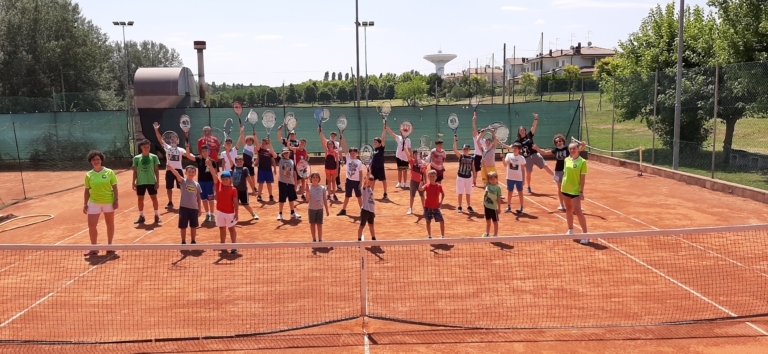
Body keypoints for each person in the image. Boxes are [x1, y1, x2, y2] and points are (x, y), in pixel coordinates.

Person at [534, 134, 586, 211]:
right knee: (560, 188)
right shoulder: (555, 150)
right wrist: (537, 148)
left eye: (560, 141)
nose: (558, 142)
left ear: (563, 141)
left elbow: (579, 149)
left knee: (572, 187)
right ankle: (562, 205)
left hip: (568, 170)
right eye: (557, 142)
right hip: (558, 171)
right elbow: (544, 152)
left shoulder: (567, 149)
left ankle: (576, 205)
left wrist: (583, 145)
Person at [83, 150, 118, 256]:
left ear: (101, 160)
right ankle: (94, 248)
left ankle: (109, 246)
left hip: (108, 202)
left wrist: (116, 200)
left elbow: (115, 187)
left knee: (110, 224)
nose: (96, 161)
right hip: (94, 203)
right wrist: (85, 203)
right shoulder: (88, 175)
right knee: (91, 225)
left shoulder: (109, 172)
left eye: (97, 159)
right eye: (93, 160)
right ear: (91, 162)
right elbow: (86, 190)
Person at [516, 113, 554, 193]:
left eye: (523, 130)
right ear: (519, 132)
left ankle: (556, 177)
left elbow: (534, 127)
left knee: (545, 166)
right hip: (527, 158)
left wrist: (536, 118)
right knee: (528, 173)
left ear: (525, 131)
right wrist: (503, 145)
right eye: (520, 130)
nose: (522, 131)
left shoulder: (529, 135)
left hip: (535, 155)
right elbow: (512, 147)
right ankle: (529, 187)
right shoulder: (518, 141)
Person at [152, 123, 186, 210]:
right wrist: (156, 130)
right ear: (170, 141)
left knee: (181, 187)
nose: (173, 140)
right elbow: (160, 139)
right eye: (171, 139)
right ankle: (170, 202)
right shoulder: (167, 148)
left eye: (174, 139)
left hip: (179, 170)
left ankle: (183, 202)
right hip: (169, 170)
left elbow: (188, 155)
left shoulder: (181, 150)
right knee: (169, 187)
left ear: (177, 140)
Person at [208, 164, 239, 254]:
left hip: (230, 213)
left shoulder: (233, 189)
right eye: (223, 179)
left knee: (231, 229)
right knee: (222, 228)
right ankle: (222, 245)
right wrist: (210, 166)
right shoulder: (218, 185)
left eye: (226, 179)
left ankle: (234, 246)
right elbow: (214, 175)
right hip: (220, 212)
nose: (225, 180)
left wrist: (236, 213)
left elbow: (235, 202)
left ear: (230, 179)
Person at [562, 141, 589, 244]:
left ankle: (586, 235)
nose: (572, 150)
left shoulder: (582, 162)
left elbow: (582, 179)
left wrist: (581, 192)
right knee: (568, 209)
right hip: (565, 189)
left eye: (574, 148)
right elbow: (565, 175)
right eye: (570, 149)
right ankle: (570, 230)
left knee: (577, 211)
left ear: (578, 149)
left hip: (575, 191)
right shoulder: (566, 160)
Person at [184, 144, 217, 223]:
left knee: (211, 199)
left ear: (208, 151)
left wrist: (215, 184)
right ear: (201, 152)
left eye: (206, 151)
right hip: (201, 183)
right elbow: (188, 155)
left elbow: (215, 174)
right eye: (203, 151)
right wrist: (187, 147)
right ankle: (207, 214)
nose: (204, 152)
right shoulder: (199, 159)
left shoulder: (213, 161)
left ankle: (212, 214)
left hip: (210, 183)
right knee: (204, 199)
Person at [168, 165, 202, 244]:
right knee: (183, 226)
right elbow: (177, 174)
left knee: (193, 225)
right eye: (189, 172)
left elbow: (199, 198)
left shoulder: (197, 185)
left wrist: (199, 209)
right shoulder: (183, 182)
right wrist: (171, 168)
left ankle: (193, 240)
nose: (191, 173)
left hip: (194, 208)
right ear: (185, 173)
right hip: (184, 208)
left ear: (195, 174)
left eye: (193, 172)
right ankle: (183, 241)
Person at [132, 139, 161, 224]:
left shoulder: (154, 157)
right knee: (140, 199)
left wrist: (157, 181)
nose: (146, 148)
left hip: (151, 181)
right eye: (144, 147)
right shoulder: (136, 158)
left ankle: (156, 215)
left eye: (148, 147)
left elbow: (156, 170)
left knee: (154, 198)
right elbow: (135, 171)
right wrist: (133, 182)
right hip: (140, 182)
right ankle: (141, 216)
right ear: (141, 147)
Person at [337, 135, 364, 216]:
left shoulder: (359, 162)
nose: (352, 154)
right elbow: (345, 148)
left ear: (357, 153)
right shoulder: (348, 158)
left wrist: (360, 182)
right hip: (349, 181)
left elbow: (361, 173)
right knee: (347, 196)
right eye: (351, 153)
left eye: (354, 153)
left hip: (357, 182)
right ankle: (343, 210)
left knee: (359, 197)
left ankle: (362, 210)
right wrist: (343, 139)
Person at [227, 155, 259, 220]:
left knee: (245, 204)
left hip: (243, 190)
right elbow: (229, 158)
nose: (239, 163)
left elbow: (249, 180)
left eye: (240, 161)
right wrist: (227, 151)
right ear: (235, 162)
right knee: (234, 204)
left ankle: (253, 213)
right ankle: (234, 216)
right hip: (235, 191)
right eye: (237, 162)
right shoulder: (234, 168)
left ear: (243, 162)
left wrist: (253, 190)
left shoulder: (245, 169)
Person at [419, 170, 445, 239]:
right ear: (428, 177)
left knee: (442, 221)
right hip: (427, 207)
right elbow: (420, 189)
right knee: (428, 222)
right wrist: (421, 182)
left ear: (436, 177)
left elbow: (443, 194)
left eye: (433, 176)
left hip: (436, 207)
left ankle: (442, 236)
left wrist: (441, 202)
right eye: (430, 176)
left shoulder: (439, 186)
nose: (432, 178)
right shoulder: (426, 186)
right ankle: (429, 236)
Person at [452, 137, 475, 214]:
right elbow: (455, 150)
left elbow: (473, 168)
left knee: (468, 193)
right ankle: (459, 206)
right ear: (462, 150)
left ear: (469, 150)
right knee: (460, 192)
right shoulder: (461, 156)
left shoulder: (472, 158)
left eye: (467, 149)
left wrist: (474, 177)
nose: (465, 150)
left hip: (468, 178)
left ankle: (468, 206)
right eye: (464, 149)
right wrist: (454, 141)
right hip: (461, 177)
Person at [277, 148, 301, 220]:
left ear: (289, 153)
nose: (286, 154)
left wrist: (295, 183)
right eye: (284, 153)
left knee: (291, 198)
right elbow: (273, 153)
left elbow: (294, 173)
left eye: (287, 153)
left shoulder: (292, 161)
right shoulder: (280, 160)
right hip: (282, 182)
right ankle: (280, 214)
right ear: (282, 154)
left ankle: (292, 213)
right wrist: (270, 145)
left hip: (291, 183)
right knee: (282, 199)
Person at [503, 142, 527, 214]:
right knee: (510, 192)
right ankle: (509, 206)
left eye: (516, 148)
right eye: (513, 147)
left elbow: (523, 170)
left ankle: (521, 207)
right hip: (510, 178)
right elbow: (505, 165)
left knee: (520, 192)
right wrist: (502, 158)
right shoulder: (509, 155)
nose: (514, 149)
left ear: (519, 149)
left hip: (519, 178)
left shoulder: (521, 158)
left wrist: (523, 180)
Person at [385, 124, 411, 189]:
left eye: (405, 132)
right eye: (403, 131)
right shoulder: (398, 138)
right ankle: (399, 183)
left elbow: (409, 149)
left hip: (405, 157)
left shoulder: (408, 140)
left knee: (405, 170)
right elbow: (392, 133)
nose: (404, 133)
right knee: (399, 170)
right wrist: (387, 127)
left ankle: (405, 183)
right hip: (398, 156)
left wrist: (411, 156)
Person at [307, 172, 330, 242]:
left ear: (319, 179)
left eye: (316, 177)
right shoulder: (309, 188)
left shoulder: (322, 188)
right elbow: (307, 199)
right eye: (313, 177)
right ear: (311, 179)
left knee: (319, 224)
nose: (315, 178)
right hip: (311, 209)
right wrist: (307, 192)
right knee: (312, 224)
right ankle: (314, 239)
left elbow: (325, 199)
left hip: (320, 209)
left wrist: (327, 209)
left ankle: (320, 240)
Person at [318, 128, 339, 201]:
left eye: (331, 144)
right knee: (329, 182)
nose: (330, 145)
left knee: (333, 181)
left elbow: (337, 162)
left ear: (333, 145)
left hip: (333, 169)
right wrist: (320, 133)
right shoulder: (326, 151)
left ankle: (334, 194)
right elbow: (322, 142)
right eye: (328, 144)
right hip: (327, 168)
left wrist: (337, 170)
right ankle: (329, 195)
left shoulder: (335, 152)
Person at [255, 137, 277, 202]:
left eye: (264, 143)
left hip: (268, 170)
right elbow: (256, 143)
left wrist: (275, 168)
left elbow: (273, 161)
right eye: (262, 143)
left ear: (267, 144)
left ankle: (271, 196)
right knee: (260, 183)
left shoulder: (270, 152)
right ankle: (259, 196)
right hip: (261, 169)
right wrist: (255, 135)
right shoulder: (260, 150)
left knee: (269, 183)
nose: (263, 144)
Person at [482, 171, 503, 237]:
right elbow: (486, 176)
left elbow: (499, 199)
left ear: (497, 179)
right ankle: (487, 233)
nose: (492, 180)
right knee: (488, 221)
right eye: (491, 179)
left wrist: (499, 208)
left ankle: (495, 235)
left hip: (493, 208)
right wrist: (484, 164)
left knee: (495, 222)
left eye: (494, 179)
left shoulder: (498, 188)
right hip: (486, 206)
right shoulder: (488, 184)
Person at [370, 126, 388, 199]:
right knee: (373, 180)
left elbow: (383, 138)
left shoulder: (381, 148)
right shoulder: (374, 149)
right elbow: (372, 159)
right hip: (374, 167)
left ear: (379, 143)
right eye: (374, 142)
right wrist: (370, 166)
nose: (374, 143)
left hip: (380, 167)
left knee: (383, 180)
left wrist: (384, 130)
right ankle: (371, 194)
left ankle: (385, 194)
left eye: (376, 142)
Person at [358, 172, 377, 241]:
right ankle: (359, 239)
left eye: (371, 183)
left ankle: (374, 238)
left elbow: (373, 201)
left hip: (371, 211)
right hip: (365, 210)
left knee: (371, 225)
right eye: (369, 182)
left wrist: (373, 211)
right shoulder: (364, 189)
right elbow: (365, 183)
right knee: (362, 226)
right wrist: (368, 176)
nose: (370, 184)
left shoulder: (371, 190)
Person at [405, 149, 425, 216]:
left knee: (422, 196)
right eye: (415, 154)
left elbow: (424, 173)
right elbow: (408, 155)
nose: (417, 155)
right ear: (413, 155)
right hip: (413, 181)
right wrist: (404, 148)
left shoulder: (422, 162)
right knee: (412, 196)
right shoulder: (412, 161)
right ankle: (410, 208)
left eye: (418, 154)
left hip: (421, 182)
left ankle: (424, 209)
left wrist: (425, 182)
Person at [471, 112, 483, 186]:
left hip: (484, 157)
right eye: (478, 132)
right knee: (475, 170)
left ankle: (487, 182)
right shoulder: (476, 138)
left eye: (481, 132)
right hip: (477, 156)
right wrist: (474, 122)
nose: (479, 133)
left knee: (485, 170)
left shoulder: (485, 141)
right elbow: (474, 129)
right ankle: (474, 182)